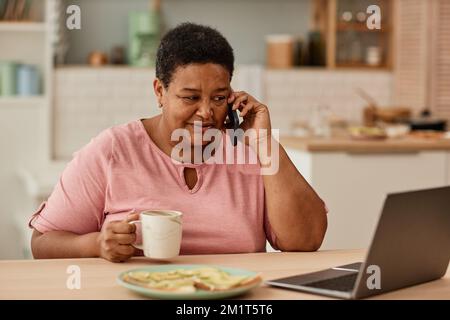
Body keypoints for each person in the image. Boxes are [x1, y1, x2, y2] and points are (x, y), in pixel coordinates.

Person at [29, 23, 327, 262]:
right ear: (160, 91)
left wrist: (264, 142)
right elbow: (42, 243)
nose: (207, 112)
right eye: (190, 97)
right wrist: (96, 245)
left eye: (219, 97)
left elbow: (306, 239)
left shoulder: (247, 150)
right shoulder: (113, 150)